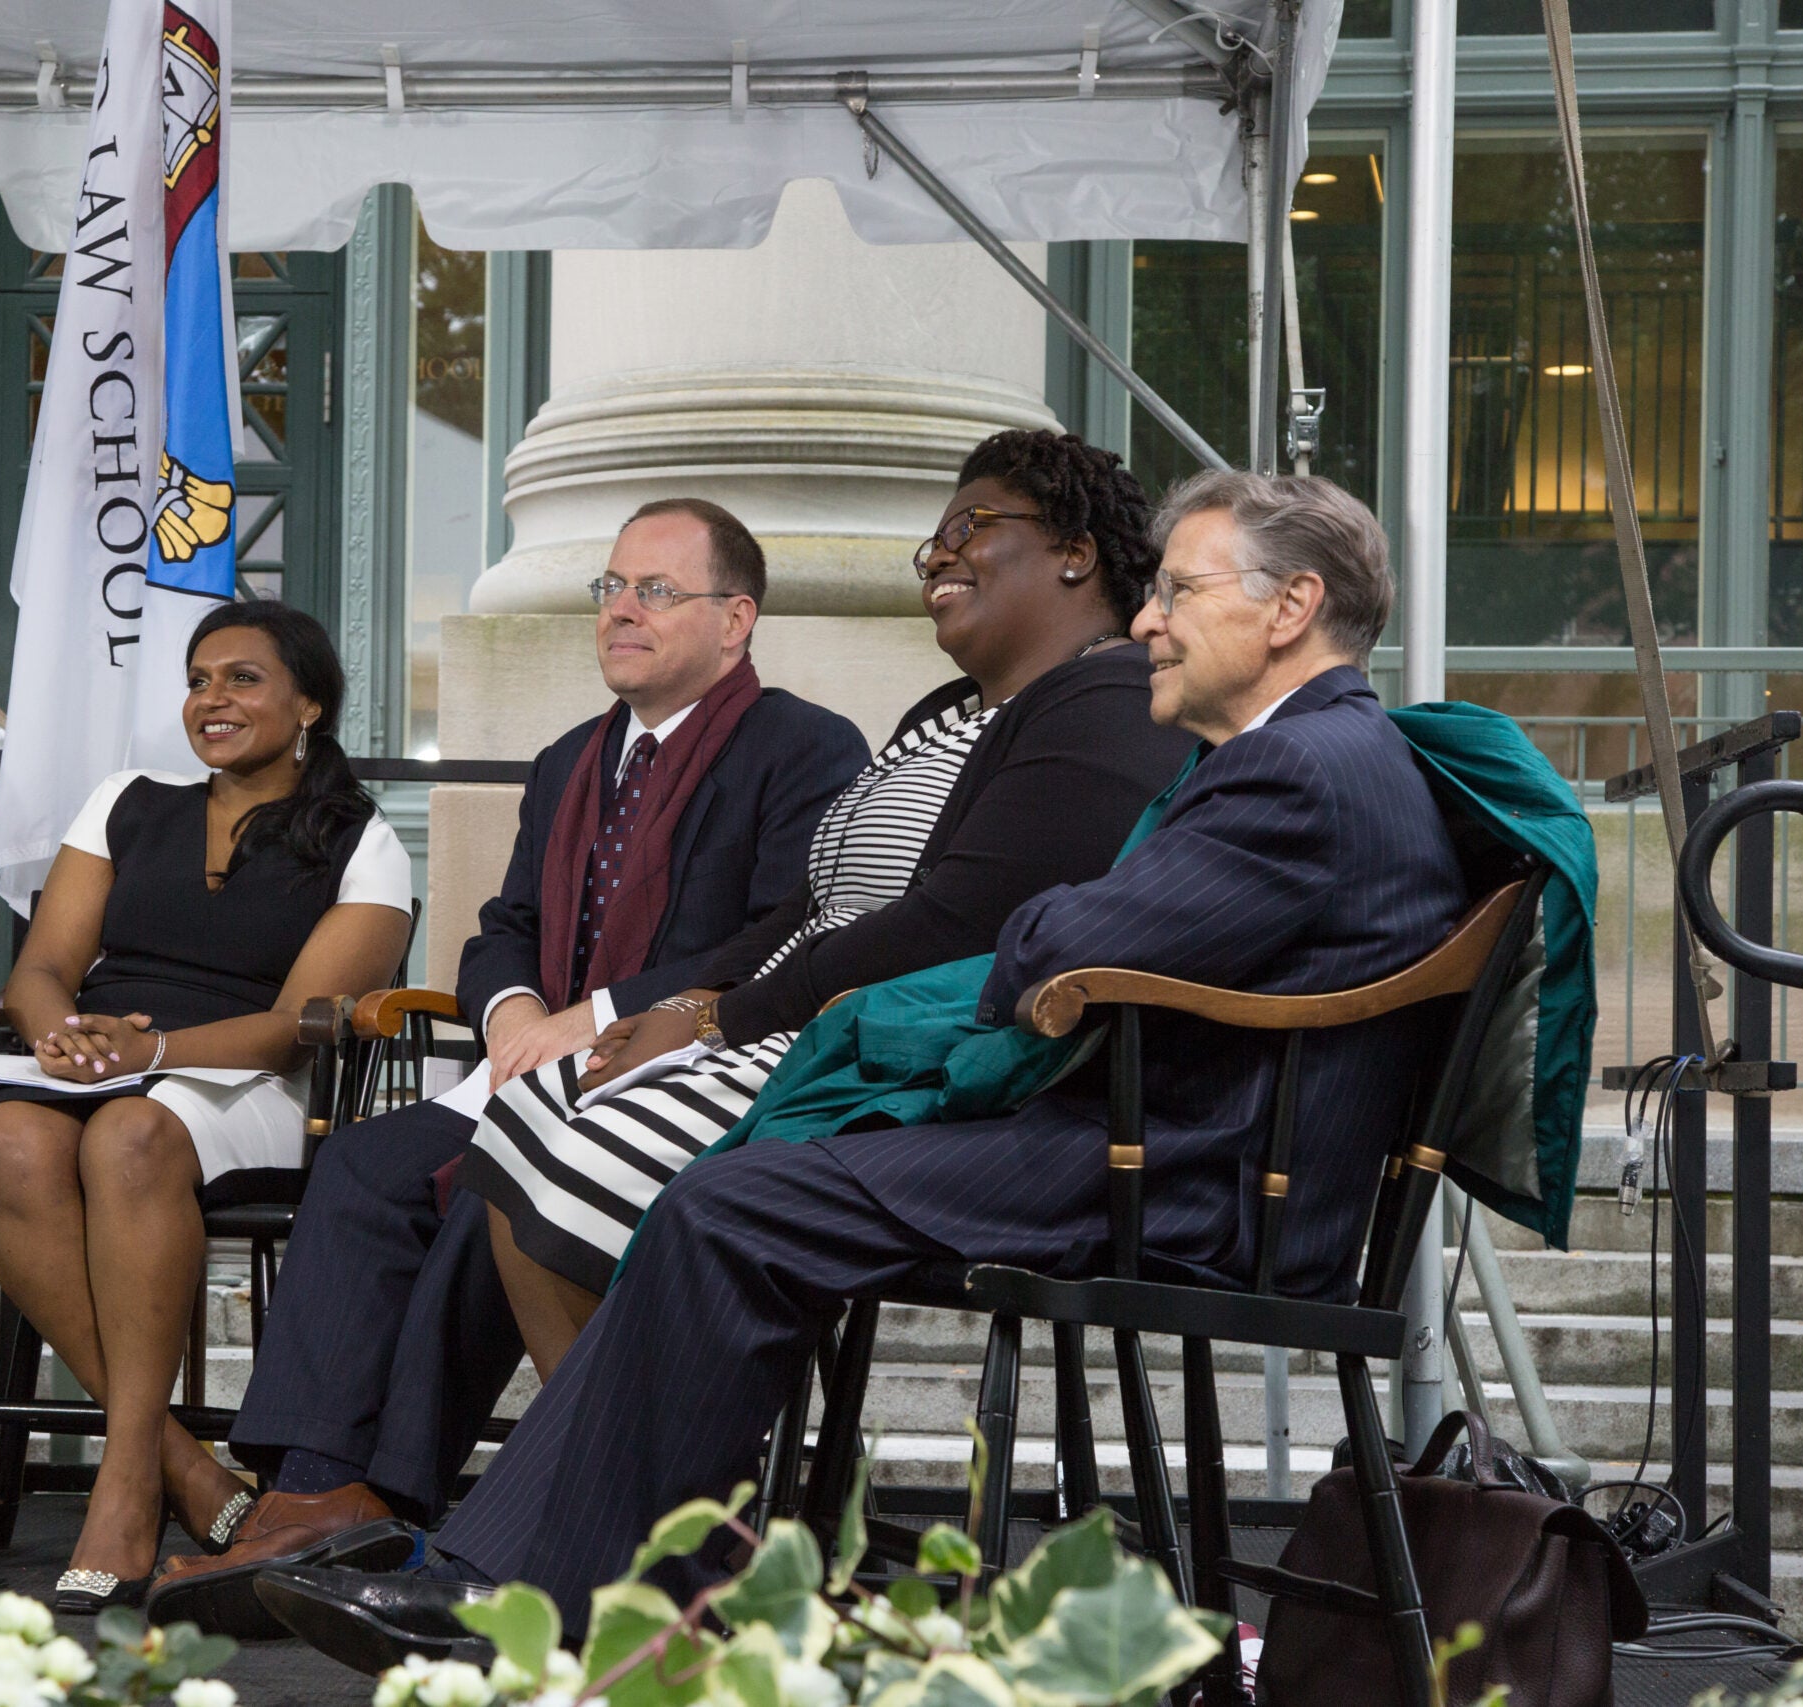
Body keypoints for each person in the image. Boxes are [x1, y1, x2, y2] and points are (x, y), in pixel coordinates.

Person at [253, 472, 1478, 1660]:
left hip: (1183, 1170)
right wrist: (1041, 938)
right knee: (733, 1188)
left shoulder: (1295, 768)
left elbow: (1052, 943)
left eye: (1179, 592)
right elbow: (1068, 932)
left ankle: (541, 1591)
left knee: (736, 1197)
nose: (1149, 619)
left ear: (1290, 607)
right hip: (1168, 1137)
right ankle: (600, 1579)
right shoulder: (1309, 756)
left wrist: (1037, 937)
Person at [144, 498, 869, 1634]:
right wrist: (518, 1007)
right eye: (611, 588)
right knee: (371, 1166)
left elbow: (786, 930)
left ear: (736, 621)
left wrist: (597, 1016)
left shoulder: (804, 746)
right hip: (537, 1062)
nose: (621, 610)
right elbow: (503, 923)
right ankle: (313, 1489)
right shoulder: (570, 759)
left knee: (499, 1176)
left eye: (655, 592)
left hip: (686, 1077)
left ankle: (392, 1505)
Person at [458, 429, 1195, 1380]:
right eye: (930, 543)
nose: (939, 556)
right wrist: (684, 1006)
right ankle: (633, 1488)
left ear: (1076, 551)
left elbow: (954, 925)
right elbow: (806, 908)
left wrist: (723, 1017)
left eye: (969, 527)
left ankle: (643, 1492)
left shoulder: (1105, 701)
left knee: (580, 1156)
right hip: (789, 1017)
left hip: (892, 1056)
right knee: (520, 1123)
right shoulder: (946, 713)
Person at [0, 602, 415, 1614]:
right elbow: (43, 968)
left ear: (309, 704)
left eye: (242, 679)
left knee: (131, 1135)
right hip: (99, 1061)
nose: (211, 699)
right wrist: (57, 1036)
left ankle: (124, 1490)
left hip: (244, 1084)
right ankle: (186, 1471)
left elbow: (301, 1021)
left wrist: (153, 1052)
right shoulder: (127, 801)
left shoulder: (359, 839)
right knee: (6, 1141)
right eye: (198, 679)